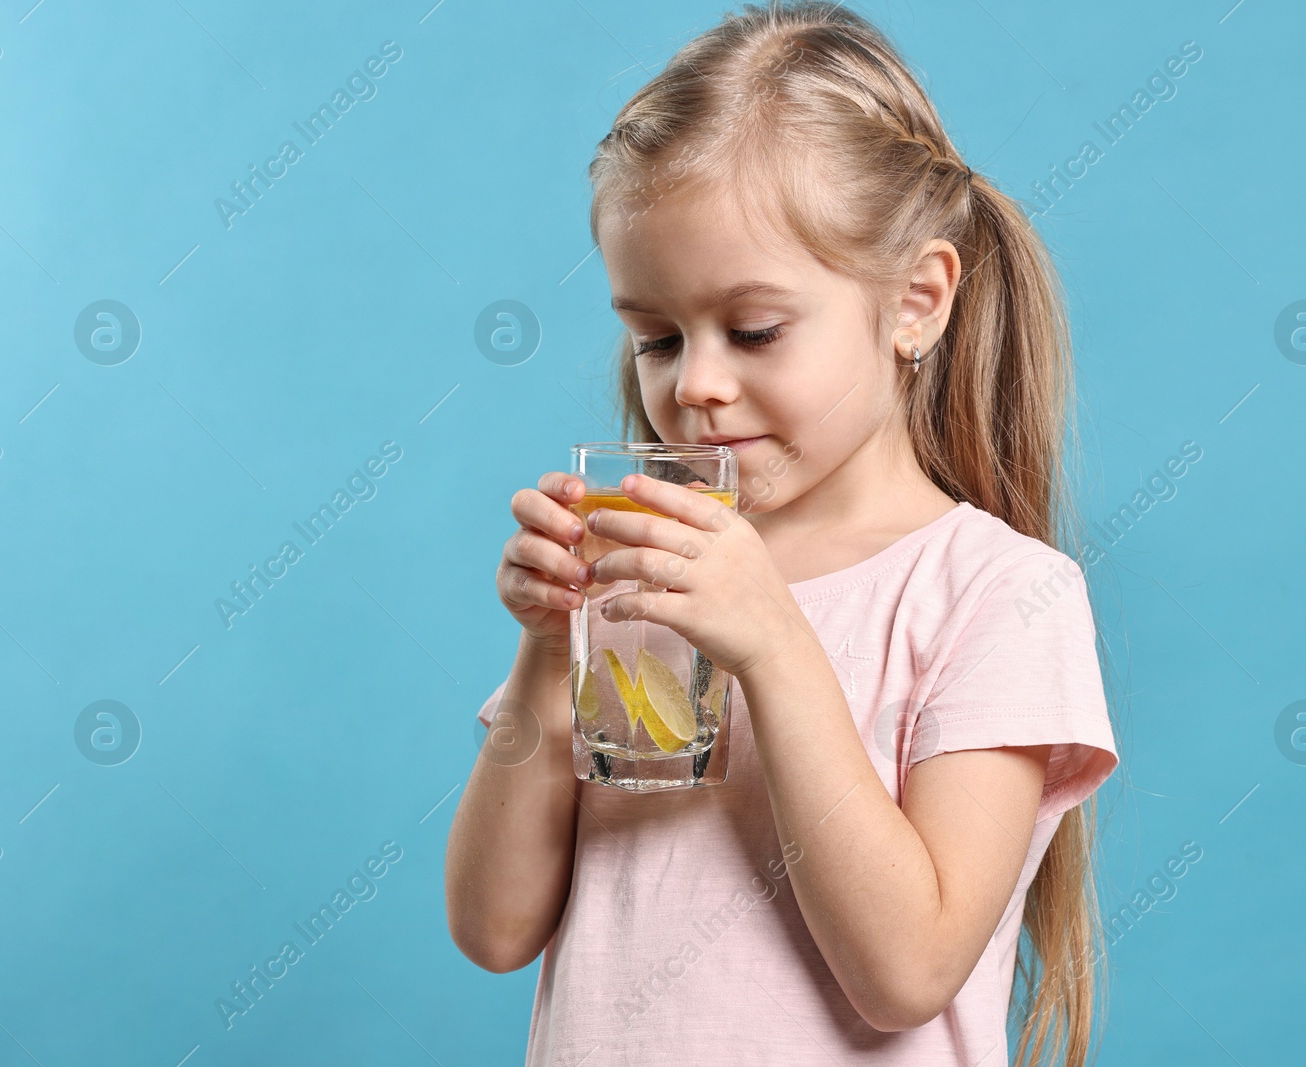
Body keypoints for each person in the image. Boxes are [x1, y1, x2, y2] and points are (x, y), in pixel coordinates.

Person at [445, 3, 1120, 1064]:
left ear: (915, 301)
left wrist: (773, 641)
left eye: (753, 330)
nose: (698, 384)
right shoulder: (646, 574)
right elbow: (492, 927)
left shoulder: (996, 592)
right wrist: (544, 651)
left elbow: (906, 970)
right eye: (656, 338)